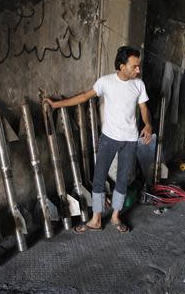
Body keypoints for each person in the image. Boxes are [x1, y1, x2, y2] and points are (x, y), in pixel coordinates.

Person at [43, 46, 153, 234]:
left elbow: (143, 108)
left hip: (130, 139)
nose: (138, 70)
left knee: (122, 180)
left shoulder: (139, 85)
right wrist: (56, 105)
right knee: (99, 178)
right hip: (109, 138)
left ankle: (116, 216)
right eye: (134, 66)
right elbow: (84, 97)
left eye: (138, 66)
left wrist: (148, 124)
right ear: (121, 66)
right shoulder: (106, 82)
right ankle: (96, 219)